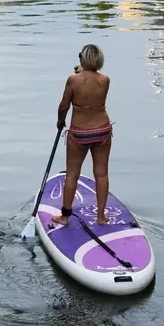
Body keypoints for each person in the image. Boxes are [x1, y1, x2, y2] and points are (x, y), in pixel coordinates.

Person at [51, 43, 113, 229]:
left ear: (82, 59)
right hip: (102, 130)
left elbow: (64, 106)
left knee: (72, 174)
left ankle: (64, 216)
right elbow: (92, 80)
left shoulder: (73, 80)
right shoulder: (105, 80)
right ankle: (101, 216)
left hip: (80, 133)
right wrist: (84, 71)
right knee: (101, 174)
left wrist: (60, 121)